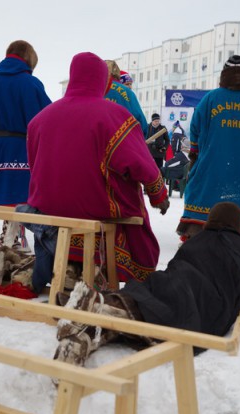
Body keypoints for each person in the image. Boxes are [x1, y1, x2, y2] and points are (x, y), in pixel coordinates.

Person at [22, 52, 169, 295]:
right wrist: (158, 195)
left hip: (50, 211)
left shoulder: (39, 119)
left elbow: (34, 166)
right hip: (98, 210)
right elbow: (143, 166)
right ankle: (99, 272)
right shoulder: (116, 117)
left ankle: (70, 268)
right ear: (104, 81)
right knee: (130, 205)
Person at [54, 201, 240, 367]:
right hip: (206, 302)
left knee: (147, 296)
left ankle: (99, 310)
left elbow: (178, 264)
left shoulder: (196, 240)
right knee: (170, 312)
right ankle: (98, 312)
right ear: (239, 226)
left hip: (173, 281)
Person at [176, 55, 240, 241]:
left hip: (212, 176)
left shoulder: (210, 100)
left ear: (224, 73)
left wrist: (195, 155)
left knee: (203, 210)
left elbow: (195, 135)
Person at [0, 40, 52, 249]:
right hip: (20, 145)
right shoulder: (31, 83)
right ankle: (10, 237)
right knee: (16, 191)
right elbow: (45, 117)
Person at [104, 60, 147, 136]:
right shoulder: (129, 93)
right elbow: (141, 122)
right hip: (122, 141)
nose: (130, 86)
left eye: (131, 84)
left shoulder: (95, 90)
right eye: (128, 84)